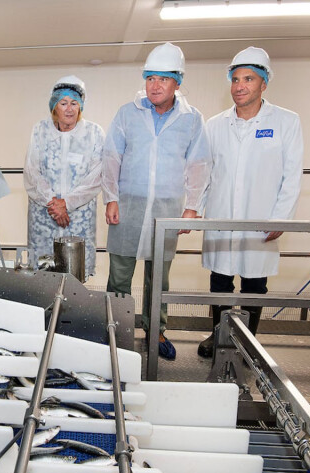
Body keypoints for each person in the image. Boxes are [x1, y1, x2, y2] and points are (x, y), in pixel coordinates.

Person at [101, 43, 211, 360]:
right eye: (151, 78)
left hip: (168, 208)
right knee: (120, 273)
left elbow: (199, 164)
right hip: (128, 204)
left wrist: (192, 207)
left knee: (158, 277)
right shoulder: (127, 112)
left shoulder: (192, 120)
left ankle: (156, 331)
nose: (155, 85)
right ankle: (115, 329)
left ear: (177, 81)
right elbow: (111, 157)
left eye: (163, 79)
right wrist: (111, 198)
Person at [197, 47, 303, 358]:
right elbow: (205, 172)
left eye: (249, 78)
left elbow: (292, 175)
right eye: (235, 79)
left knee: (255, 283)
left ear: (264, 84)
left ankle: (247, 346)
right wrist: (196, 211)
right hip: (221, 215)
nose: (240, 85)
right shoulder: (215, 124)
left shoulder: (286, 121)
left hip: (262, 216)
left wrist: (280, 217)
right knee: (220, 280)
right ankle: (220, 339)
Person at [23, 75, 105, 281]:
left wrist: (66, 204)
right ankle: (44, 313)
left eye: (74, 103)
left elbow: (96, 176)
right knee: (42, 273)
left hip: (78, 217)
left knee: (75, 276)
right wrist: (54, 203)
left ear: (81, 107)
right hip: (44, 215)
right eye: (64, 103)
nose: (69, 109)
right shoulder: (39, 131)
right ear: (54, 106)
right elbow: (32, 171)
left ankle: (73, 313)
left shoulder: (94, 133)